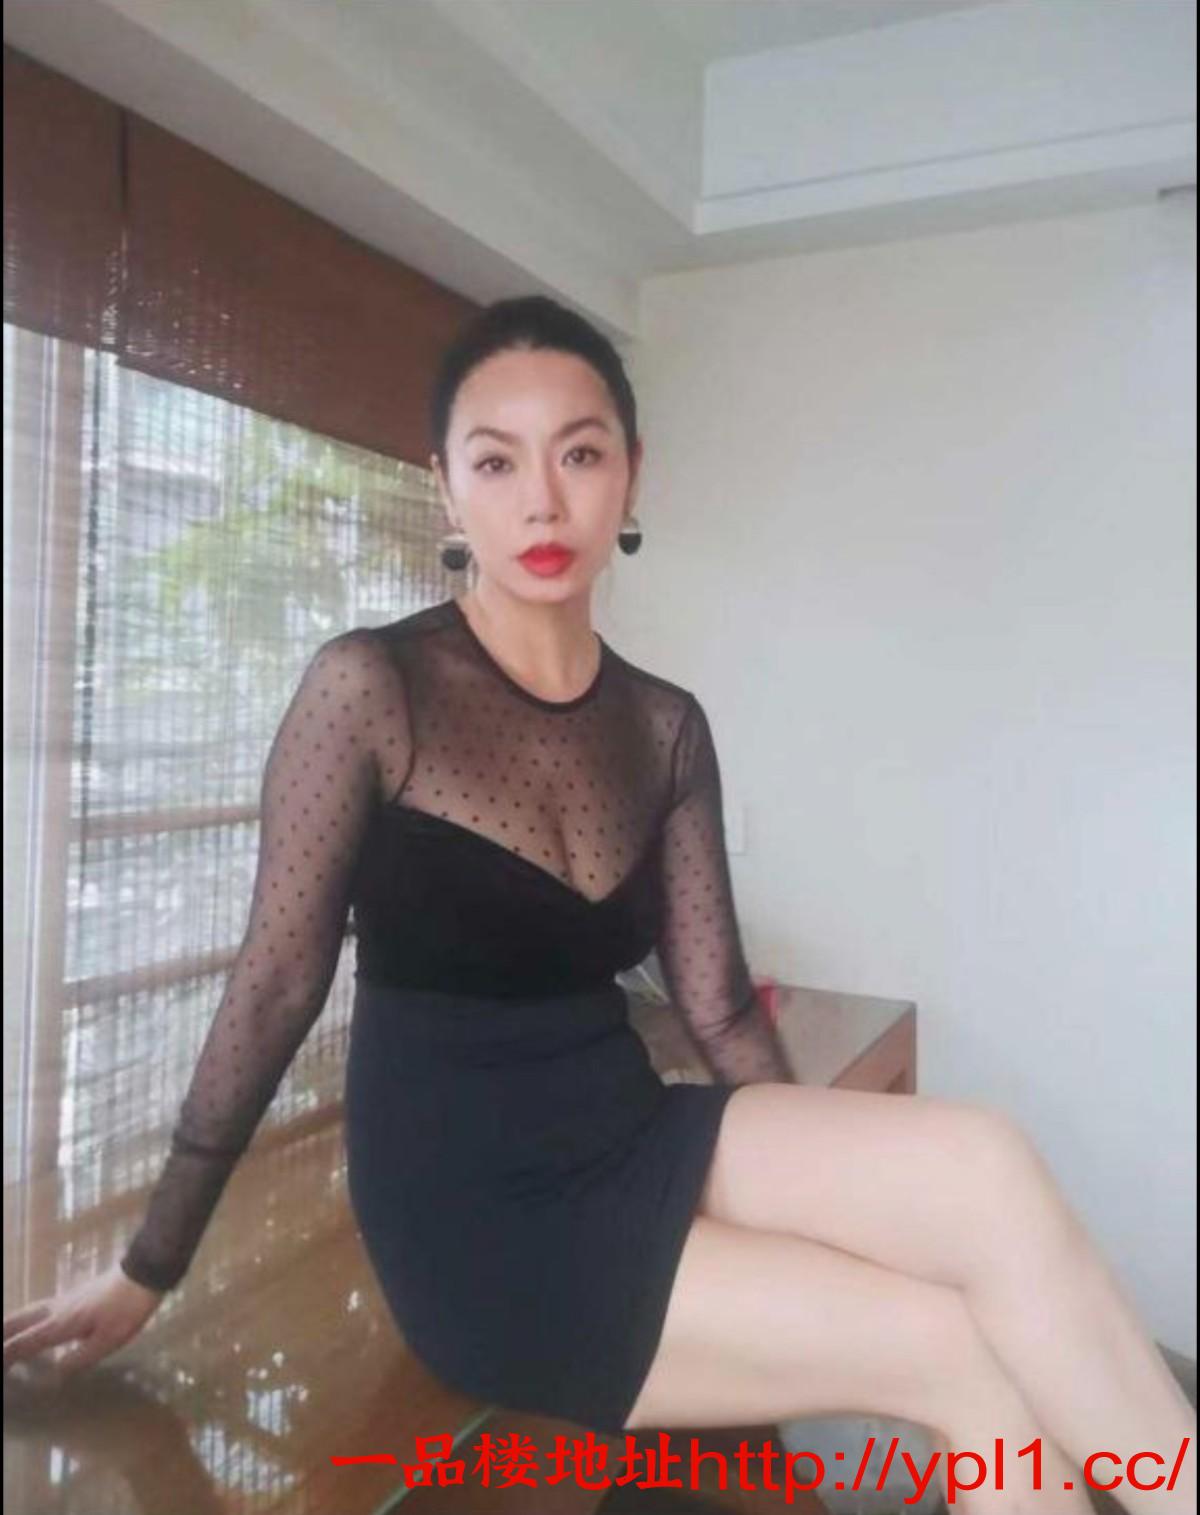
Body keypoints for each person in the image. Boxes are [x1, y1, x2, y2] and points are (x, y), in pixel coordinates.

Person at [4, 296, 1193, 1512]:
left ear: (631, 473)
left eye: (578, 454)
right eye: (496, 462)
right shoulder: (370, 688)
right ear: (445, 486)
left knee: (986, 1163)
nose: (543, 501)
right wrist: (148, 1268)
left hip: (627, 1129)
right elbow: (274, 985)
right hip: (474, 1217)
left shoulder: (663, 725)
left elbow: (717, 1005)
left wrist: (832, 1205)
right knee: (952, 1352)